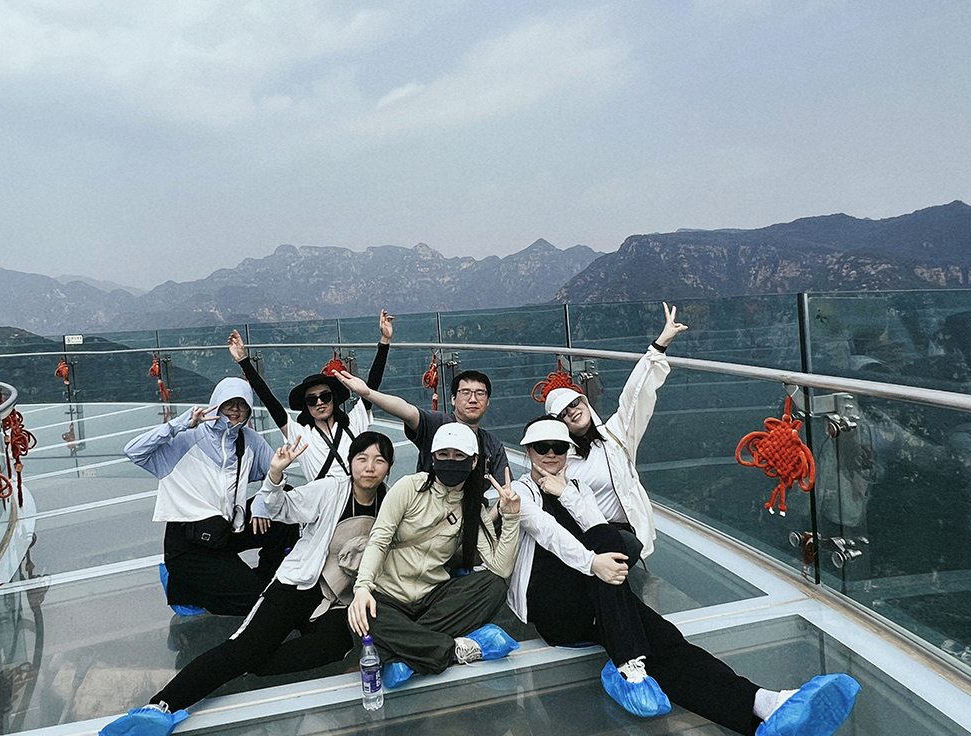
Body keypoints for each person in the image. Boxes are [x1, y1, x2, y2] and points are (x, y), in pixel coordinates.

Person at [509, 416, 860, 736]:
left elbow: (599, 530)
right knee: (607, 545)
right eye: (542, 447)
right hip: (556, 608)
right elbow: (549, 534)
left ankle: (762, 708)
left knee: (668, 643)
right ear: (528, 450)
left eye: (559, 447)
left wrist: (567, 494)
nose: (551, 454)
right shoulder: (520, 492)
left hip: (600, 603)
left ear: (568, 451)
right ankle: (626, 660)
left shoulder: (577, 489)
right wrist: (593, 563)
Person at [99, 432, 396, 736]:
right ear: (350, 462)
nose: (369, 467)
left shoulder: (389, 503)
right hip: (298, 586)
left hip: (338, 601)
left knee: (335, 644)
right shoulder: (331, 490)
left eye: (379, 460)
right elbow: (279, 508)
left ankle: (254, 665)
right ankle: (162, 705)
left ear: (389, 466)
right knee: (241, 649)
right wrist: (276, 474)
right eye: (362, 458)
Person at [347, 423, 521, 688]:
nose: (451, 461)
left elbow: (501, 568)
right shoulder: (409, 487)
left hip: (432, 598)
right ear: (433, 457)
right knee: (361, 616)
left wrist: (511, 516)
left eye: (459, 455)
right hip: (389, 597)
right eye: (443, 454)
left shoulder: (471, 506)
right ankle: (452, 650)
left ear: (474, 461)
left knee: (493, 585)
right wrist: (362, 588)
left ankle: (404, 654)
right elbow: (379, 539)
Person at [124, 377, 297, 616]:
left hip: (227, 530)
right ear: (216, 404)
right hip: (189, 542)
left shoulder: (249, 440)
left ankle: (265, 578)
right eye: (229, 403)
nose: (235, 410)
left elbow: (277, 473)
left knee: (285, 502)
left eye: (242, 404)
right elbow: (134, 451)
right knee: (255, 604)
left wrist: (262, 500)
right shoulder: (185, 438)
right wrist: (179, 425)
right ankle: (184, 586)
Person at [541, 302, 688, 562]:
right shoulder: (559, 459)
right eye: (563, 413)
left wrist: (660, 344)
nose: (572, 411)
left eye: (575, 403)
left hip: (627, 532)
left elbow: (634, 395)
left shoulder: (615, 437)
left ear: (585, 402)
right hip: (587, 537)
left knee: (626, 548)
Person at [228, 310, 393, 483]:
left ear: (334, 399)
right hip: (322, 498)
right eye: (312, 400)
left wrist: (385, 341)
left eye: (325, 397)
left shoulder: (353, 423)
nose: (319, 402)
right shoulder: (300, 435)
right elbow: (269, 400)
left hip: (358, 494)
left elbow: (371, 387)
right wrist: (243, 360)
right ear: (306, 405)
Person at [334, 366, 509, 480]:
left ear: (488, 401)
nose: (473, 399)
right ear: (453, 399)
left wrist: (485, 520)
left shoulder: (493, 445)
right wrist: (368, 393)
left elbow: (505, 488)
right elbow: (406, 410)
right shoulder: (437, 423)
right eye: (465, 393)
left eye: (480, 393)